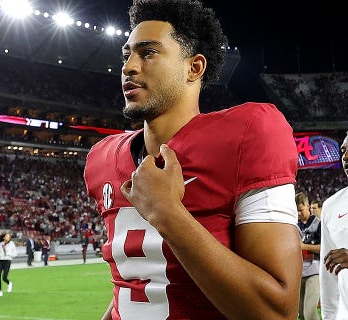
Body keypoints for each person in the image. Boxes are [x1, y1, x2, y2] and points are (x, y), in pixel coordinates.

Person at [83, 1, 302, 319]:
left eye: (148, 53)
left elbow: (277, 312)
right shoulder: (102, 159)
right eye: (126, 55)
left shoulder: (247, 133)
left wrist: (169, 214)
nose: (129, 66)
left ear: (194, 68)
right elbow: (133, 290)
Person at [319, 131, 348, 320]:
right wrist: (329, 317)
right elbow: (327, 272)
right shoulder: (331, 205)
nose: (346, 158)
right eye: (344, 151)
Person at [296, 192, 321, 320]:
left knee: (309, 312)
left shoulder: (318, 223)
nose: (299, 213)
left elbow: (324, 247)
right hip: (299, 272)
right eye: (297, 211)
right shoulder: (295, 225)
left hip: (314, 271)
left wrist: (304, 246)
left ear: (307, 205)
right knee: (300, 314)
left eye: (300, 210)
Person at [0, 233, 16, 298]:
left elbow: (15, 254)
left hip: (7, 261)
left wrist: (9, 254)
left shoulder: (12, 244)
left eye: (9, 236)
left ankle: (9, 283)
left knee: (4, 277)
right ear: (3, 237)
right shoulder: (0, 245)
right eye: (6, 236)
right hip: (1, 261)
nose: (8, 237)